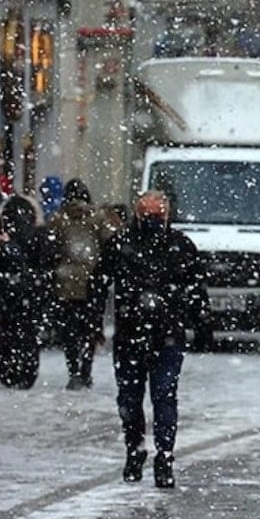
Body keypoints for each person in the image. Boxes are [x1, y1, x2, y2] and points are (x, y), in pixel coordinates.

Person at [91, 191, 208, 488]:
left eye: (158, 214)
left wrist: (200, 322)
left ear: (167, 215)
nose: (154, 220)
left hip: (165, 335)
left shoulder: (179, 246)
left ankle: (163, 456)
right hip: (133, 334)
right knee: (132, 398)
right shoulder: (122, 244)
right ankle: (136, 450)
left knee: (162, 396)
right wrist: (93, 323)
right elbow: (98, 283)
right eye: (148, 214)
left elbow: (196, 289)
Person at [44, 179, 115, 390]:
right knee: (90, 329)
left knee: (69, 331)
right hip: (92, 282)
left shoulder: (58, 218)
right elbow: (110, 244)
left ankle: (73, 369)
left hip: (65, 283)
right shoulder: (98, 218)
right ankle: (86, 369)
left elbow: (50, 247)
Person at [0, 195, 51, 389]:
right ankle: (25, 372)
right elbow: (46, 259)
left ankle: (9, 371)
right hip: (30, 291)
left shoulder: (4, 236)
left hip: (10, 290)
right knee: (28, 332)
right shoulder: (38, 234)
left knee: (9, 330)